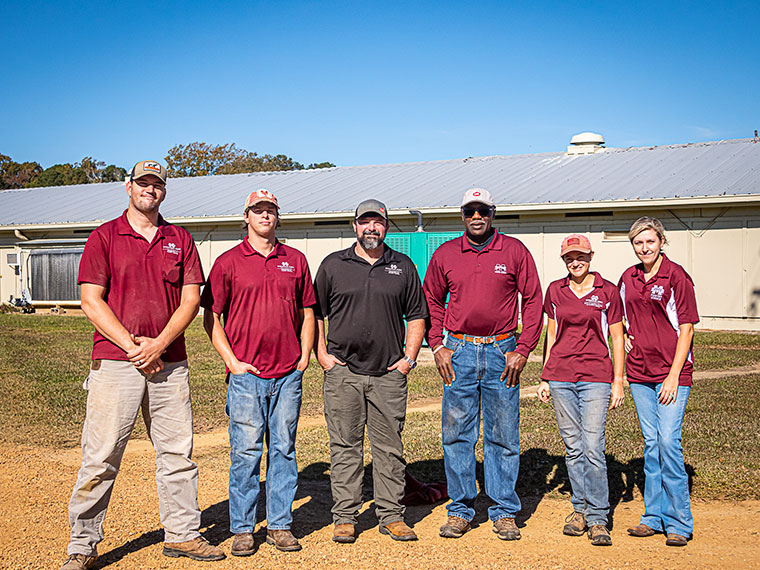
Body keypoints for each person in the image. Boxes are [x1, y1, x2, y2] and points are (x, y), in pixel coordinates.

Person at [61, 161, 225, 570]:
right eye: (142, 183)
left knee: (177, 454)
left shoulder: (179, 239)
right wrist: (134, 347)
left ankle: (182, 534)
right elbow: (91, 300)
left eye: (156, 185)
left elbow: (191, 300)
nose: (149, 190)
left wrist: (160, 345)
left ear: (164, 192)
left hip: (170, 365)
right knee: (100, 456)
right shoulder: (104, 237)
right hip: (116, 362)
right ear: (128, 187)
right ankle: (82, 544)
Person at [423, 188, 543, 541]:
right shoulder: (446, 253)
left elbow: (533, 299)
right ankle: (460, 509)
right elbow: (431, 299)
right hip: (458, 351)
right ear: (462, 215)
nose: (477, 217)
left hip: (501, 352)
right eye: (470, 211)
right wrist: (437, 345)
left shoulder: (514, 250)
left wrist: (523, 348)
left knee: (502, 434)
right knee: (457, 434)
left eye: (483, 210)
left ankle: (504, 510)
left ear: (493, 213)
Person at [202, 189, 315, 555]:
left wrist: (304, 358)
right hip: (246, 376)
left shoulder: (294, 260)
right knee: (246, 452)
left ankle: (280, 524)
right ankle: (243, 528)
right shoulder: (228, 262)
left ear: (277, 217)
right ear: (246, 216)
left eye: (270, 211)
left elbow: (308, 312)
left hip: (287, 374)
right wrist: (231, 361)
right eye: (258, 210)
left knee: (283, 449)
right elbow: (211, 316)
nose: (265, 216)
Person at [313, 199, 428, 543]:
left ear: (386, 227)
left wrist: (408, 358)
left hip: (388, 375)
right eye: (365, 222)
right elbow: (315, 313)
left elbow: (417, 315)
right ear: (355, 226)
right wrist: (321, 353)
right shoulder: (334, 265)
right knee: (345, 446)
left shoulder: (402, 266)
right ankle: (345, 517)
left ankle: (391, 515)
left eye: (377, 222)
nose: (371, 228)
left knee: (389, 448)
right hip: (343, 373)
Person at [536, 234, 625, 546]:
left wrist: (618, 379)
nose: (576, 262)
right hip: (561, 375)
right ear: (564, 260)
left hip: (596, 376)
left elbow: (616, 337)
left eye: (581, 257)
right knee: (573, 447)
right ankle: (580, 510)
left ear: (591, 257)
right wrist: (545, 376)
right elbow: (552, 332)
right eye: (570, 258)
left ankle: (599, 517)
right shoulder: (555, 291)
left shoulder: (608, 292)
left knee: (592, 446)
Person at [619, 217, 698, 547]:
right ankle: (653, 516)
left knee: (668, 441)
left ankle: (679, 521)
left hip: (671, 375)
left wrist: (673, 376)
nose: (644, 248)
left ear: (661, 241)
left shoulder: (676, 276)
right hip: (639, 373)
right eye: (638, 243)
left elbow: (688, 328)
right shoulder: (629, 277)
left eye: (650, 241)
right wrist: (623, 336)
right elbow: (621, 317)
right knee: (651, 445)